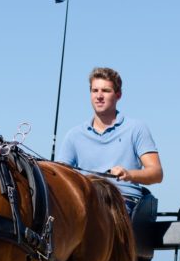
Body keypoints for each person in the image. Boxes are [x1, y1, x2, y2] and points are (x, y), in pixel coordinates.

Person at [56, 67, 163, 214]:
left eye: (106, 91)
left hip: (123, 202)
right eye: (95, 91)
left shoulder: (136, 128)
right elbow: (60, 174)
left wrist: (129, 174)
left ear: (118, 95)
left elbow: (156, 173)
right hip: (86, 200)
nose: (99, 96)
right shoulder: (74, 135)